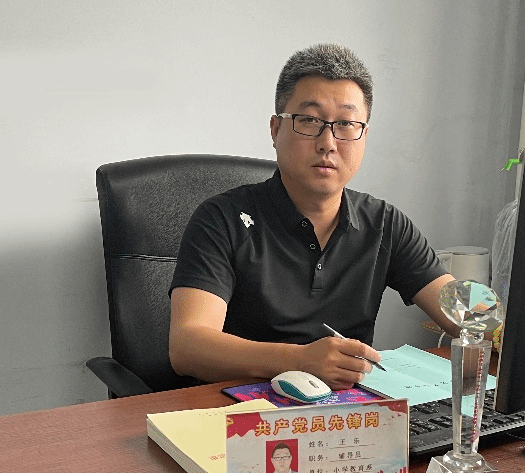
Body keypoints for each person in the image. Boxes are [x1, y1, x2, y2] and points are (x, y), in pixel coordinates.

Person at [168, 43, 457, 390]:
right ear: (275, 130)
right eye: (309, 120)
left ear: (364, 136)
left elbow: (467, 315)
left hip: (349, 412)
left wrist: (502, 321)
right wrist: (300, 360)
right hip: (239, 410)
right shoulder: (222, 219)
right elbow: (187, 346)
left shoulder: (385, 224)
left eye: (346, 124)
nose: (328, 142)